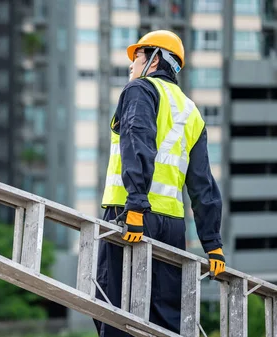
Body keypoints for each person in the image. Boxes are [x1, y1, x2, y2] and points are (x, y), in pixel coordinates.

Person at [94, 30, 225, 336]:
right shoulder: (191, 111)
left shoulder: (139, 90)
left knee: (113, 308)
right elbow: (202, 183)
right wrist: (213, 243)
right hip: (172, 226)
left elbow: (137, 140)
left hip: (132, 216)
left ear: (155, 60)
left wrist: (136, 204)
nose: (131, 65)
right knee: (165, 318)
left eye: (137, 56)